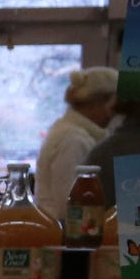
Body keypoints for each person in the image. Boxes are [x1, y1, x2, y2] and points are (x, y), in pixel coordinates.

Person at [33, 65, 115, 211]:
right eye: (113, 107)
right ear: (96, 103)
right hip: (62, 231)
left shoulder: (71, 132)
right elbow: (69, 204)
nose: (114, 114)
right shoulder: (73, 140)